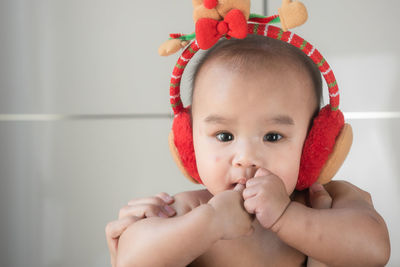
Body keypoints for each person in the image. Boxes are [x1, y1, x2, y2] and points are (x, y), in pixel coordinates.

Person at [105, 35, 390, 267]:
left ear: (312, 144)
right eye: (224, 135)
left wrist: (286, 216)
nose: (246, 157)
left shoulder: (330, 202)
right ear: (189, 145)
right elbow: (130, 260)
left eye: (273, 136)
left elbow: (375, 250)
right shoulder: (189, 211)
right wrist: (210, 223)